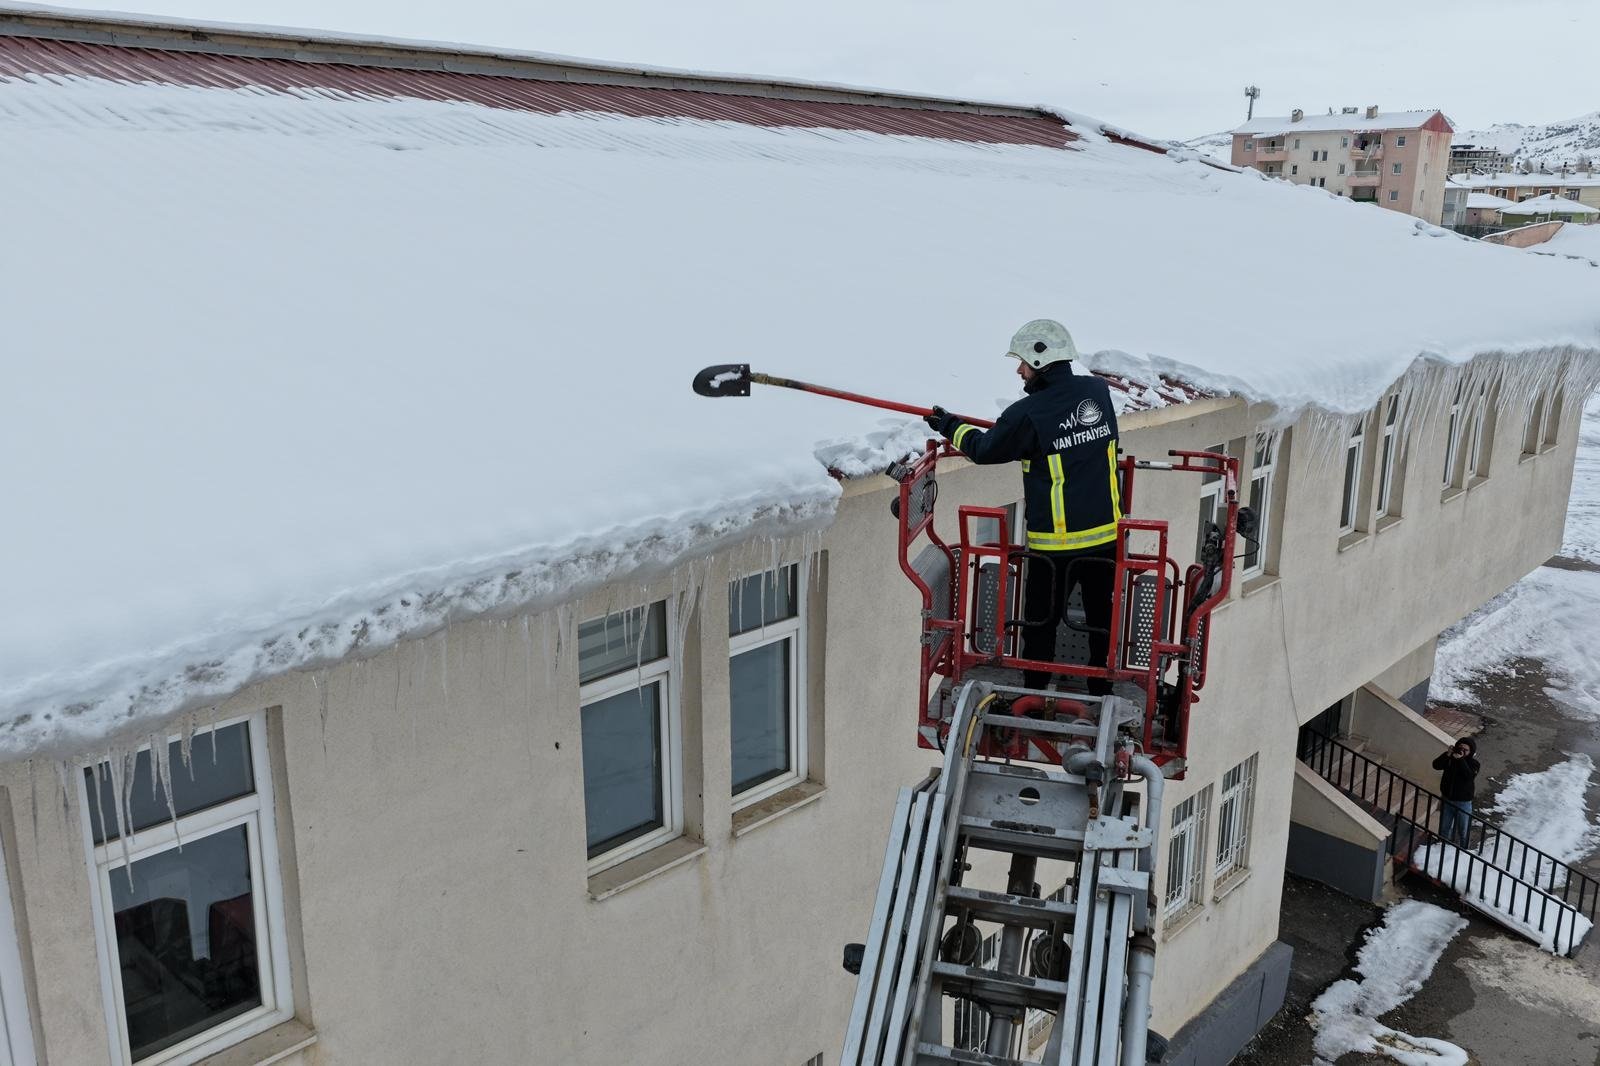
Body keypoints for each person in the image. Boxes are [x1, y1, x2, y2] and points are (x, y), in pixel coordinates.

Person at [924, 319, 1121, 694]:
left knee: (1039, 625)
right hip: (1107, 539)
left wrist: (948, 425)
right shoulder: (1098, 392)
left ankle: (1036, 690)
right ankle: (1101, 692)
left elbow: (984, 449)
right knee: (1101, 621)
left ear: (1040, 361)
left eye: (1022, 363)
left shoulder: (1028, 413)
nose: (1019, 370)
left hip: (1056, 547)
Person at [1432, 736, 1479, 849]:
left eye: (1465, 750)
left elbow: (1468, 776)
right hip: (1447, 799)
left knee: (1463, 830)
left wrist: (1461, 760)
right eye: (1460, 747)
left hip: (1463, 803)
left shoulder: (1474, 764)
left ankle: (1464, 851)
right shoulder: (1450, 758)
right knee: (1444, 828)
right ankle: (1441, 848)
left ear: (1471, 752)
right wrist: (1447, 755)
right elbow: (1436, 765)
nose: (1462, 751)